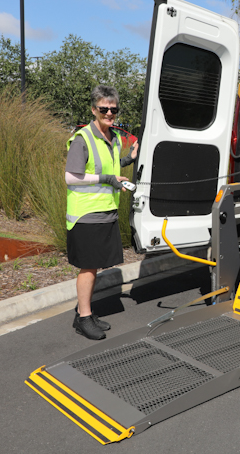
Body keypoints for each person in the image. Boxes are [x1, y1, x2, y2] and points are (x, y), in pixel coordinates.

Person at [65, 85, 138, 340]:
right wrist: (108, 178)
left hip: (106, 211)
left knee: (94, 266)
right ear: (94, 109)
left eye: (113, 109)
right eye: (104, 109)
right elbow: (70, 177)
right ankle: (83, 319)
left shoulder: (113, 138)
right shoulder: (83, 138)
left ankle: (86, 311)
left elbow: (111, 165)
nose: (109, 113)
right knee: (88, 267)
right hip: (85, 215)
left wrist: (129, 158)